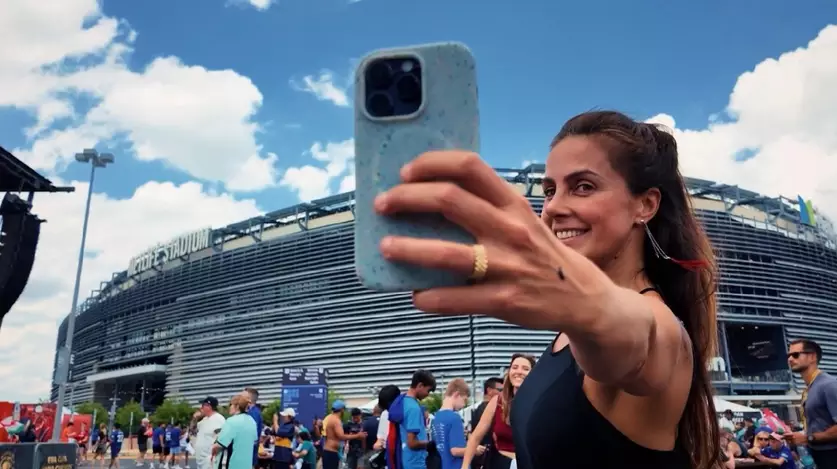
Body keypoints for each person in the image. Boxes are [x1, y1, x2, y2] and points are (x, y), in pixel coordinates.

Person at [372, 110, 720, 469]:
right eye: (550, 190)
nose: (553, 207)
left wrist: (587, 307)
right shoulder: (567, 332)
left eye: (583, 186)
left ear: (645, 205)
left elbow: (639, 340)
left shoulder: (659, 325)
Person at [463, 354, 534, 469]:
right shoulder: (498, 402)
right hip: (500, 463)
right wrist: (465, 466)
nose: (519, 372)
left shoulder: (539, 403)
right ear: (509, 372)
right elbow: (476, 436)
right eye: (515, 367)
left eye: (525, 369)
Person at [783, 339, 837, 468]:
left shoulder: (829, 385)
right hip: (820, 455)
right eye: (788, 355)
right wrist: (802, 435)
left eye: (795, 355)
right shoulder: (810, 388)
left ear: (812, 357)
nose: (790, 359)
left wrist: (808, 438)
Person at [387, 370, 436, 469]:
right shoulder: (413, 408)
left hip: (406, 459)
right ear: (420, 385)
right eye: (428, 390)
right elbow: (412, 443)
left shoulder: (404, 401)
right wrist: (431, 444)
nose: (428, 394)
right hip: (415, 463)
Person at [430, 378, 470, 469]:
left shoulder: (436, 417)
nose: (464, 405)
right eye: (464, 400)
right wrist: (474, 449)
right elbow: (455, 451)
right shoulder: (455, 417)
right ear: (457, 394)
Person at [213, 394, 258, 469]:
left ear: (237, 406)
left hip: (234, 464)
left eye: (231, 404)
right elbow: (254, 441)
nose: (229, 407)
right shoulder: (252, 421)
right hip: (247, 465)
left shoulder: (231, 421)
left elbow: (219, 445)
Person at [322, 401, 366, 469]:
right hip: (331, 452)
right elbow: (341, 436)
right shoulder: (336, 420)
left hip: (329, 451)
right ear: (342, 409)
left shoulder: (330, 418)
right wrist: (358, 435)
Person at [195, 397, 226, 469]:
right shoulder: (204, 419)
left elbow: (221, 438)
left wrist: (213, 455)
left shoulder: (218, 419)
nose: (201, 407)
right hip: (201, 459)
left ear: (209, 406)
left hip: (210, 459)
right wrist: (195, 418)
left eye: (203, 405)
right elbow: (193, 429)